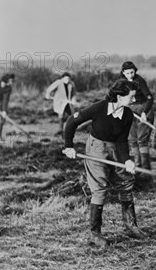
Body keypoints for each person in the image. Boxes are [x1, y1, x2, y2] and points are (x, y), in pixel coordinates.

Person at [62, 79, 145, 248]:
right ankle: (95, 234)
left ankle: (130, 225)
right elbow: (71, 121)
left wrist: (127, 160)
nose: (134, 100)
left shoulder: (127, 115)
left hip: (116, 148)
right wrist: (69, 146)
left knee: (126, 182)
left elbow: (122, 142)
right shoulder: (99, 108)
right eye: (132, 97)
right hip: (97, 148)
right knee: (100, 189)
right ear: (120, 96)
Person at [119, 61, 155, 179]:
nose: (130, 75)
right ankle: (138, 169)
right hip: (130, 111)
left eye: (132, 72)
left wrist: (145, 112)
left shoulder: (140, 81)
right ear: (123, 73)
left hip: (144, 109)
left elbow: (150, 98)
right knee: (132, 140)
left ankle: (146, 171)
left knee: (142, 140)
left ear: (135, 71)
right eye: (127, 73)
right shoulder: (121, 83)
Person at [45, 72, 77, 136]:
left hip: (68, 101)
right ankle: (60, 129)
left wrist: (74, 100)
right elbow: (49, 89)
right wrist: (48, 96)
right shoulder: (58, 82)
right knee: (61, 114)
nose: (67, 80)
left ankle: (67, 129)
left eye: (68, 79)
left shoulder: (71, 83)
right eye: (65, 79)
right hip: (59, 101)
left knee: (70, 115)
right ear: (62, 78)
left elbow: (74, 93)